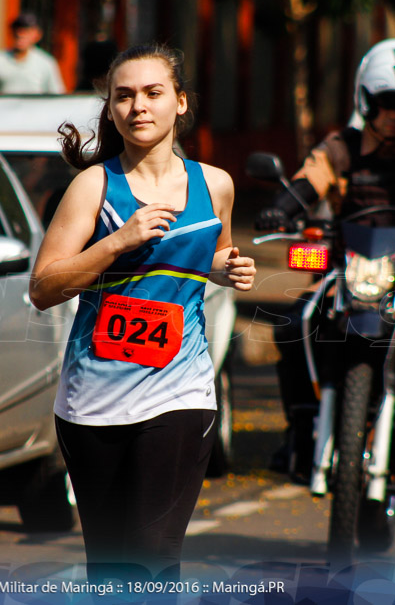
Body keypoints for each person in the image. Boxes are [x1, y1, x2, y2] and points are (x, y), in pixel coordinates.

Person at [29, 44, 256, 583]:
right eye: (123, 96)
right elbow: (43, 287)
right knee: (109, 567)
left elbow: (211, 252)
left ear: (181, 102)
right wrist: (117, 242)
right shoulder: (94, 186)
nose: (138, 107)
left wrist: (225, 269)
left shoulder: (215, 184)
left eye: (153, 93)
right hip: (93, 402)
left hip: (180, 391)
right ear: (110, 109)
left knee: (153, 555)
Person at [255, 38, 395, 481]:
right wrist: (282, 207)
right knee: (293, 325)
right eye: (387, 103)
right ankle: (298, 429)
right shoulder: (341, 147)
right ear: (366, 99)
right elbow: (306, 182)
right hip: (345, 271)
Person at [0, 12, 65, 94]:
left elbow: (57, 97)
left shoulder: (46, 63)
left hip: (35, 113)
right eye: (18, 29)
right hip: (3, 112)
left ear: (37, 35)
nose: (20, 34)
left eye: (27, 31)